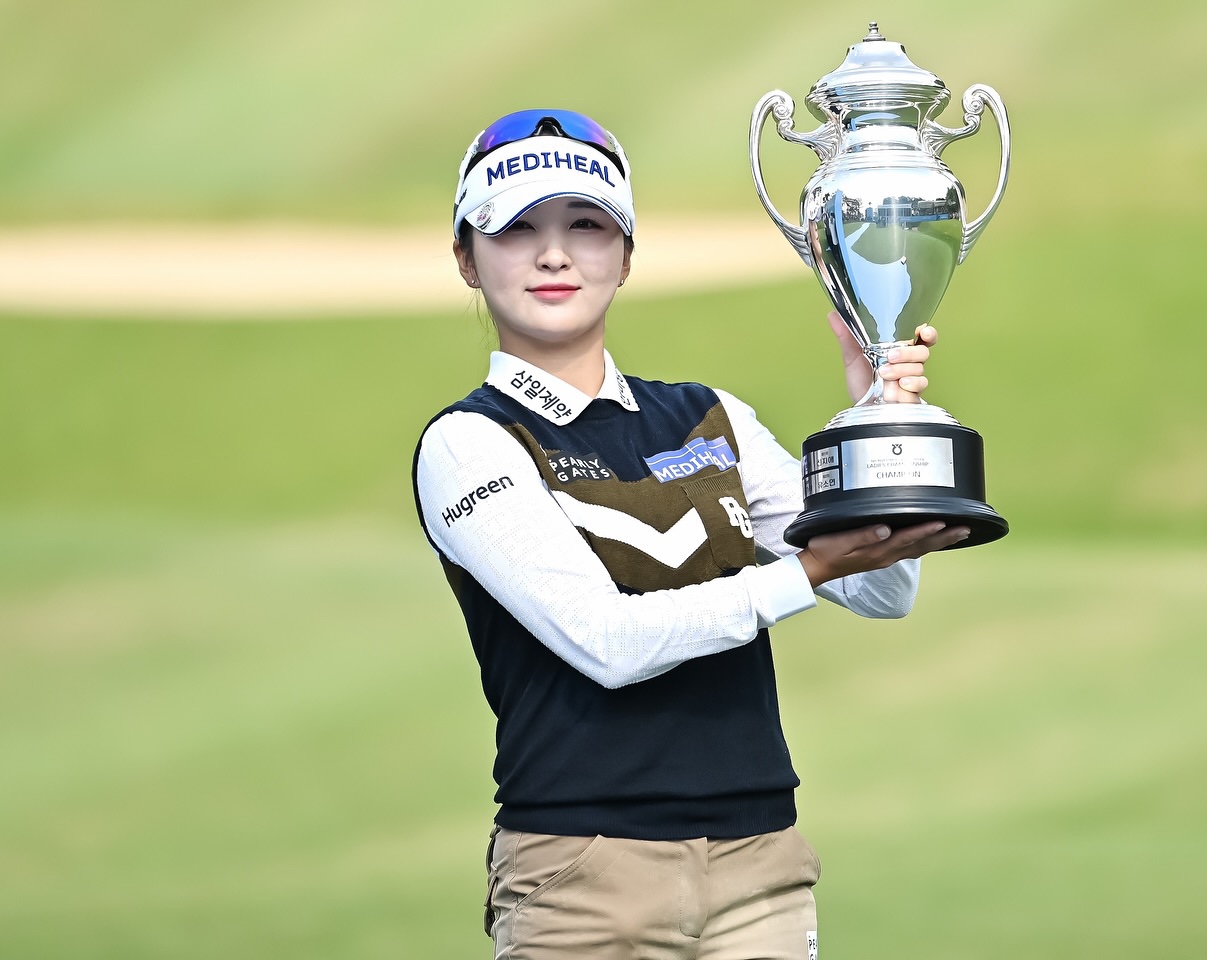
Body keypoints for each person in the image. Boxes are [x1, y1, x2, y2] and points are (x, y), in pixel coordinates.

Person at [410, 109, 969, 960]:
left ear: (626, 255)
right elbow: (607, 643)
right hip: (583, 879)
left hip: (761, 866)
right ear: (465, 258)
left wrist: (875, 427)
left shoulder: (711, 418)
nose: (554, 254)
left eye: (587, 225)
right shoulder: (469, 443)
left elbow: (879, 589)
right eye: (517, 229)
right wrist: (806, 571)